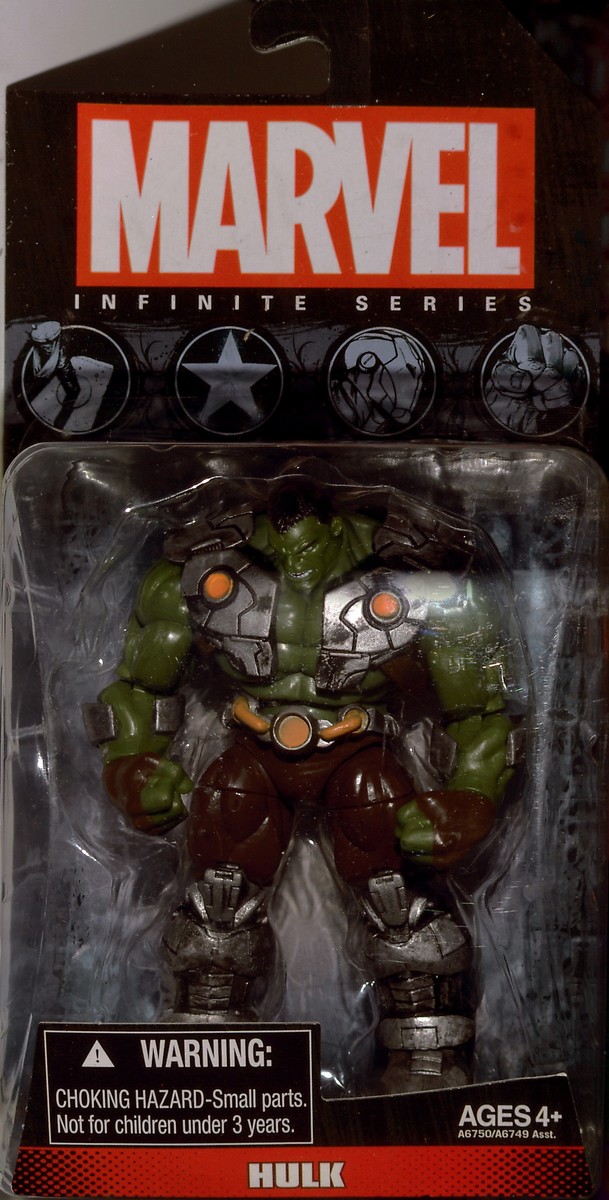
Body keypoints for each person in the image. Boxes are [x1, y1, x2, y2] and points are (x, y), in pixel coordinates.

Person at [85, 472, 516, 1093]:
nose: (296, 555)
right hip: (253, 753)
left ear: (336, 527)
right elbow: (140, 689)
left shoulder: (414, 575)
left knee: (400, 904)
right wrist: (131, 763)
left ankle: (430, 1067)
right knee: (218, 904)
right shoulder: (200, 569)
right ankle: (203, 1064)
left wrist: (472, 793)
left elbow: (478, 709)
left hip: (359, 752)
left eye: (309, 542)